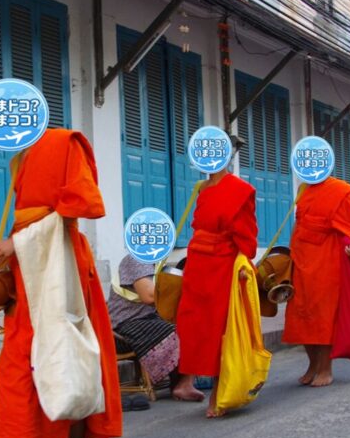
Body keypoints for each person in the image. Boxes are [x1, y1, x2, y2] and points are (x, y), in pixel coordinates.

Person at [0, 129, 122, 438]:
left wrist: (18, 242)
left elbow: (84, 205)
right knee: (15, 362)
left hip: (62, 264)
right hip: (26, 267)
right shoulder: (17, 159)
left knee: (70, 349)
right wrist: (12, 249)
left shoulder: (63, 144)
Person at [174, 157, 258, 417]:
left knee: (220, 327)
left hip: (223, 267)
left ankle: (218, 393)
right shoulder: (201, 187)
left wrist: (245, 264)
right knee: (191, 324)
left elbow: (246, 234)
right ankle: (185, 383)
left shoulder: (238, 190)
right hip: (197, 264)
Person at [284, 175, 350, 386]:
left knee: (324, 315)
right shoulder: (304, 190)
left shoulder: (343, 191)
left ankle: (325, 368)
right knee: (301, 314)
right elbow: (299, 223)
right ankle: (312, 365)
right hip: (302, 258)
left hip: (328, 260)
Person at [107, 254, 204, 402]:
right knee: (183, 330)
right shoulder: (136, 259)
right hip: (123, 326)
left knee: (192, 323)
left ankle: (182, 383)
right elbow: (149, 296)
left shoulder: (157, 263)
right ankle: (183, 384)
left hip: (146, 321)